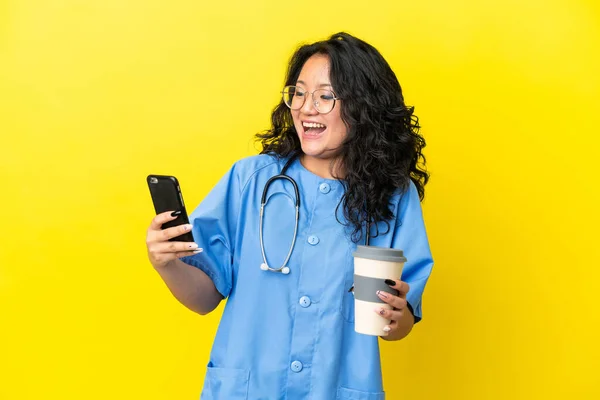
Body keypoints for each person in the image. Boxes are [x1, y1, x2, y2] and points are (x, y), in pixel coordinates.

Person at [145, 32, 434, 400]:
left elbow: (394, 324)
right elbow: (203, 298)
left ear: (365, 107)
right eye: (298, 93)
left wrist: (395, 316)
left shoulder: (394, 198)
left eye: (325, 96)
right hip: (248, 390)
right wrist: (166, 262)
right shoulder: (250, 181)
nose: (306, 107)